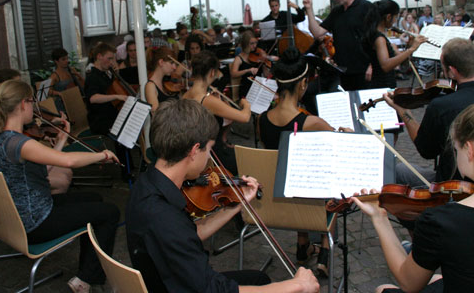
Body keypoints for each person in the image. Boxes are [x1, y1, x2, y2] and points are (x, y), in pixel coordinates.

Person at [126, 99, 320, 293]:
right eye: (209, 149)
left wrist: (236, 203)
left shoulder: (147, 184)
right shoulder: (164, 217)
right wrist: (295, 285)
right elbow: (213, 289)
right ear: (194, 151)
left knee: (258, 278)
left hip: (168, 279)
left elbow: (191, 234)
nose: (210, 157)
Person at [352, 90, 474, 293]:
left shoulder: (443, 220)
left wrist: (379, 217)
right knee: (437, 277)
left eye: (455, 149)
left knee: (383, 289)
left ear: (470, 150)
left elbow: (409, 282)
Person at [0, 79, 120, 293]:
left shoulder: (2, 138)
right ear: (23, 104)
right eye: (32, 102)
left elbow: (44, 166)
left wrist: (60, 141)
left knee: (94, 200)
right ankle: (85, 279)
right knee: (109, 213)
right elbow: (68, 162)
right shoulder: (21, 143)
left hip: (25, 212)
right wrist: (101, 155)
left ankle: (87, 272)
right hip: (36, 221)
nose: (34, 107)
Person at [258, 47, 342, 276]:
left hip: (274, 200)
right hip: (305, 200)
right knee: (329, 181)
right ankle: (324, 249)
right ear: (303, 84)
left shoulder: (261, 119)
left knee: (290, 172)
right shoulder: (310, 122)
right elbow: (338, 143)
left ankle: (303, 244)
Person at [384, 38, 474, 183]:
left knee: (399, 171)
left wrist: (404, 111)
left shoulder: (442, 106)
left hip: (453, 185)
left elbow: (426, 151)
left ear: (452, 71)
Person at [183, 50, 251, 175]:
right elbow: (245, 117)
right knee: (245, 161)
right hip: (212, 154)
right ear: (212, 72)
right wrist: (246, 104)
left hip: (194, 151)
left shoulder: (185, 95)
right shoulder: (206, 99)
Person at [306, 0, 374, 90]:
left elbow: (376, 39)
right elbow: (317, 32)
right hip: (342, 70)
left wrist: (372, 65)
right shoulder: (336, 12)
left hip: (363, 70)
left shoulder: (366, 7)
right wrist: (309, 9)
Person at [362, 0, 427, 89]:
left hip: (383, 83)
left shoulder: (375, 35)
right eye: (395, 17)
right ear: (388, 17)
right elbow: (386, 65)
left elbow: (402, 61)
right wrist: (412, 49)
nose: (395, 21)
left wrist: (410, 44)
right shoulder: (379, 38)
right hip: (382, 85)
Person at [84, 42, 128, 136]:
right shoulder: (92, 76)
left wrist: (116, 75)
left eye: (113, 59)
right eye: (109, 58)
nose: (112, 62)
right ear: (99, 56)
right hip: (102, 122)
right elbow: (93, 98)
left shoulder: (105, 74)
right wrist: (116, 96)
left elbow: (110, 88)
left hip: (111, 117)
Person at [49, 48, 85, 112]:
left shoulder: (71, 71)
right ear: (56, 61)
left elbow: (83, 84)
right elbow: (47, 91)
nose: (67, 61)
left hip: (74, 101)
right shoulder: (54, 76)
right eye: (63, 59)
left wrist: (77, 75)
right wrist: (59, 93)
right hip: (62, 105)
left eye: (67, 58)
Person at [145, 46, 178, 112]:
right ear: (161, 62)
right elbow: (156, 115)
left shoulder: (164, 82)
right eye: (171, 63)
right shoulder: (150, 86)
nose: (175, 67)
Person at [231, 31, 261, 99]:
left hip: (259, 87)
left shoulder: (258, 55)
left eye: (256, 43)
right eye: (252, 43)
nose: (255, 46)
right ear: (245, 44)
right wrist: (247, 70)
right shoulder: (238, 58)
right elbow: (233, 73)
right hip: (247, 89)